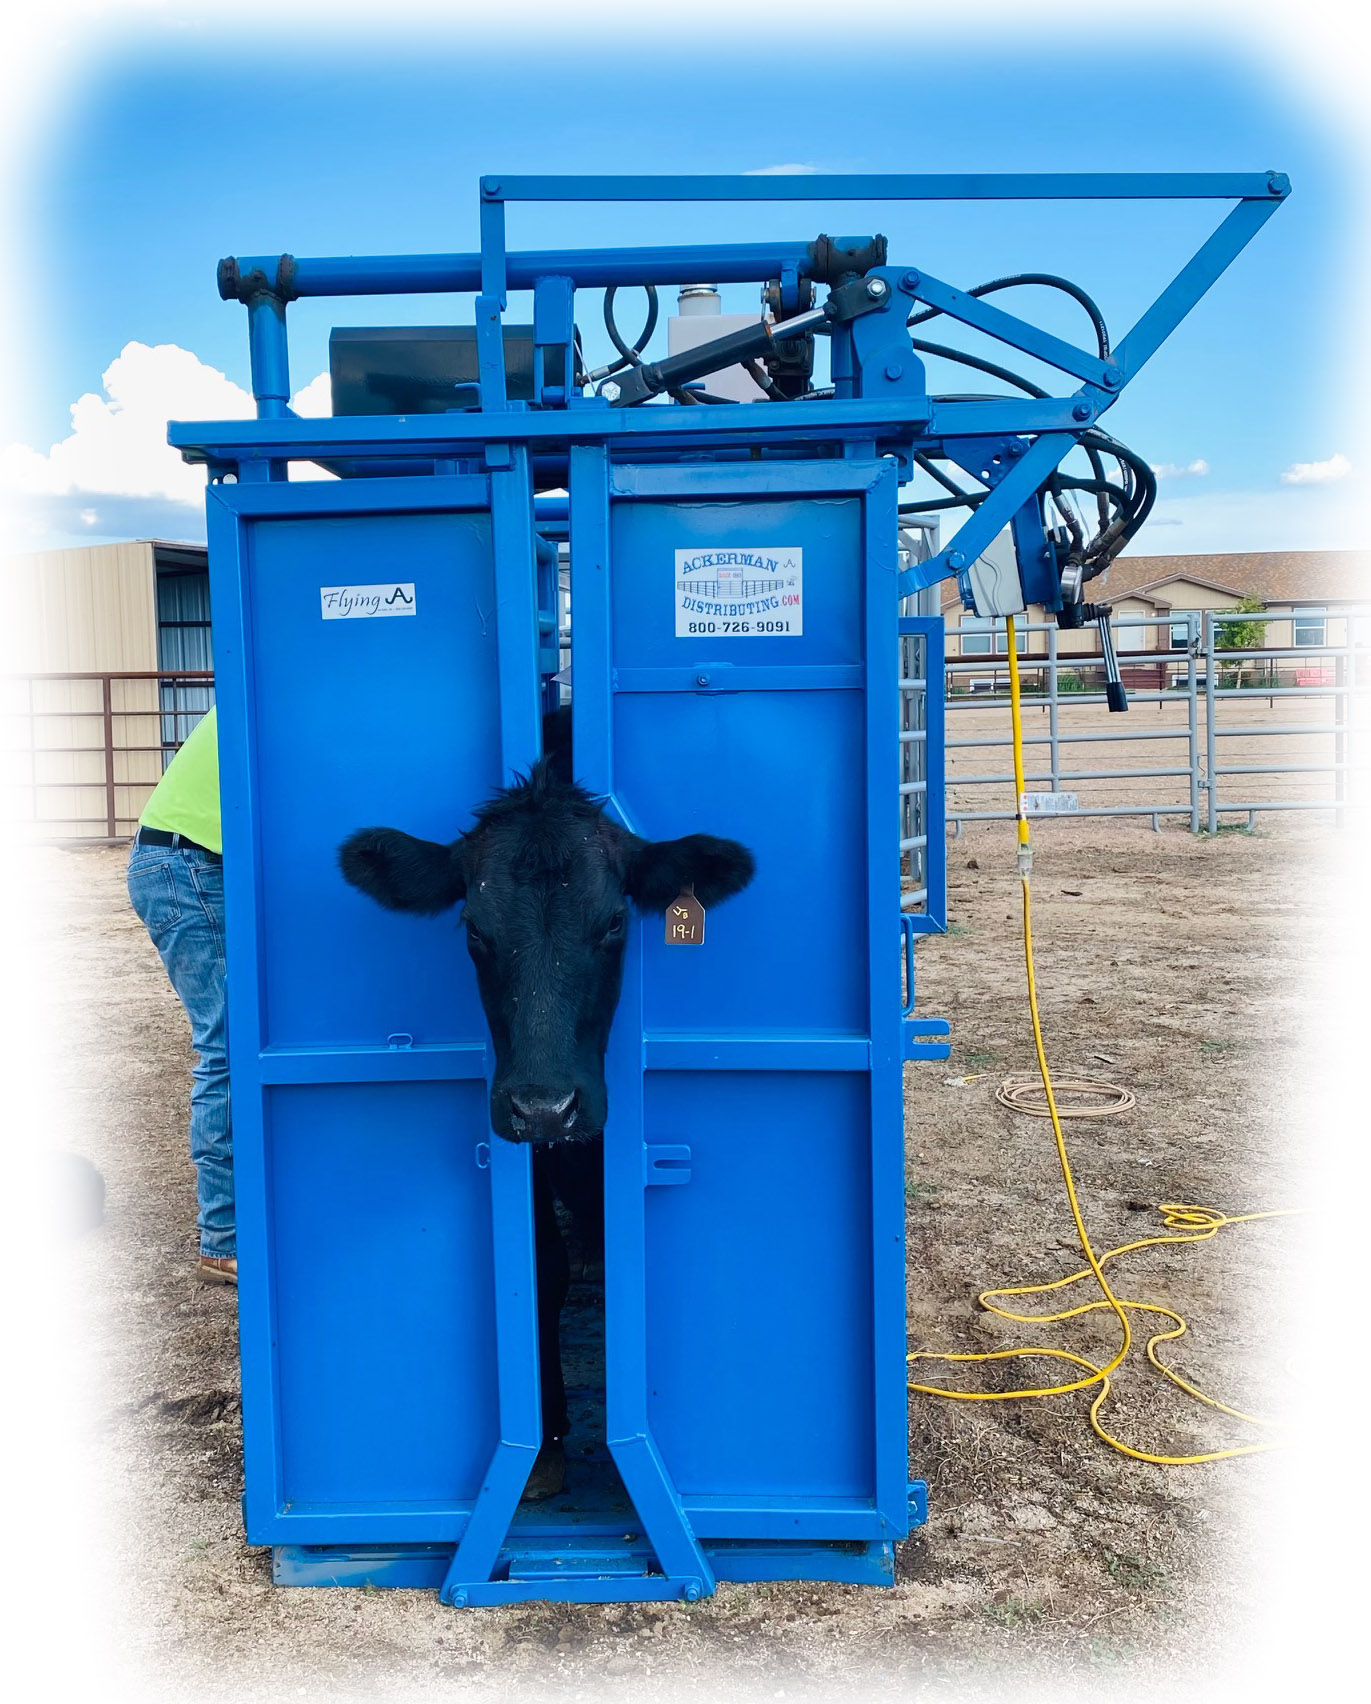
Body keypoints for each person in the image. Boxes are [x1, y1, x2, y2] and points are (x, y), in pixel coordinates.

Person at [126, 706, 234, 1284]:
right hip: (186, 864)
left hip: (186, 858)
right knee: (227, 1045)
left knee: (230, 1043)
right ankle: (223, 1239)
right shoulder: (289, 684)